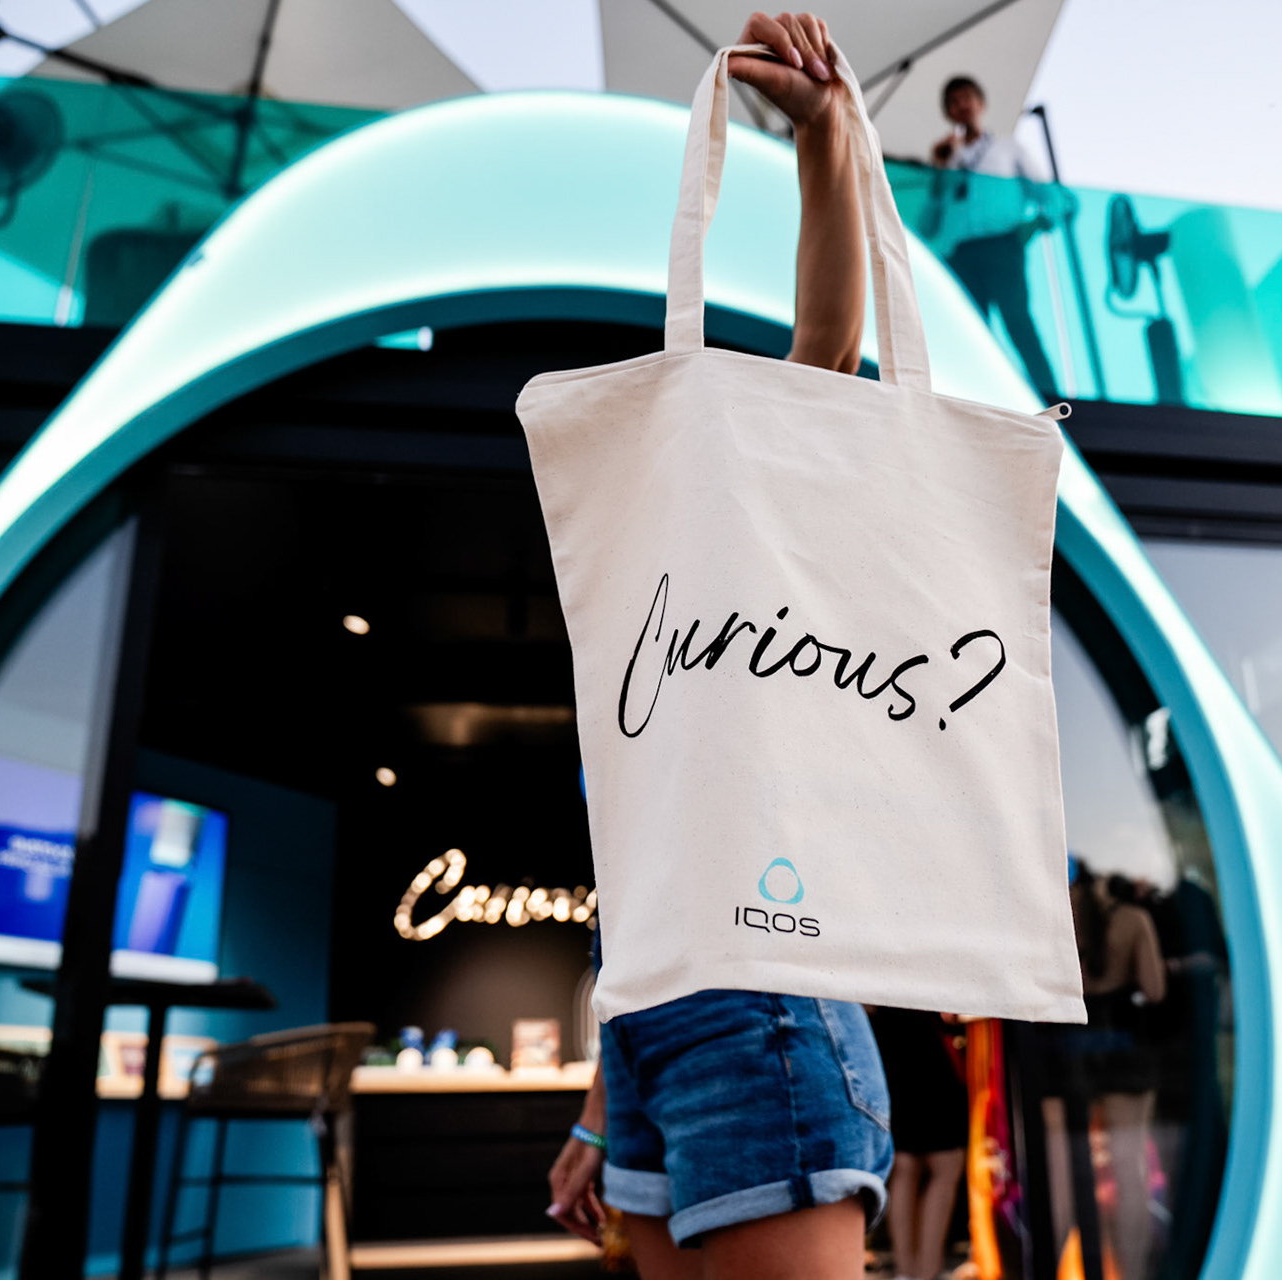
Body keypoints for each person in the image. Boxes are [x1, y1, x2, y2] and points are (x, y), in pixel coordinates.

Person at [544, 14, 892, 1280]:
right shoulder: (624, 634)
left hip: (763, 1020)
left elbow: (827, 353)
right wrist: (601, 1101)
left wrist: (825, 140)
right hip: (646, 1038)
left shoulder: (755, 577)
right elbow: (644, 901)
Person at [927, 76, 1063, 404]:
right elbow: (927, 224)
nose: (962, 105)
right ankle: (977, 402)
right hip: (960, 255)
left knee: (1018, 322)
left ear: (981, 104)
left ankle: (1051, 401)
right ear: (948, 112)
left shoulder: (1008, 149)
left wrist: (1035, 224)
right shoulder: (948, 160)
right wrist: (939, 172)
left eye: (967, 98)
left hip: (1002, 246)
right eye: (954, 102)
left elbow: (1051, 196)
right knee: (970, 331)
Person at [1070, 868, 1168, 1280]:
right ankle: (1130, 1271)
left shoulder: (1060, 910)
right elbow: (1154, 988)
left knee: (1065, 1168)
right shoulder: (1133, 919)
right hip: (1123, 1047)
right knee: (1129, 1170)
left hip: (1068, 1047)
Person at [870, 1007, 969, 1280]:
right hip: (921, 1035)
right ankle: (926, 1270)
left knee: (906, 1163)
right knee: (944, 1163)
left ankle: (907, 1272)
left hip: (888, 1034)